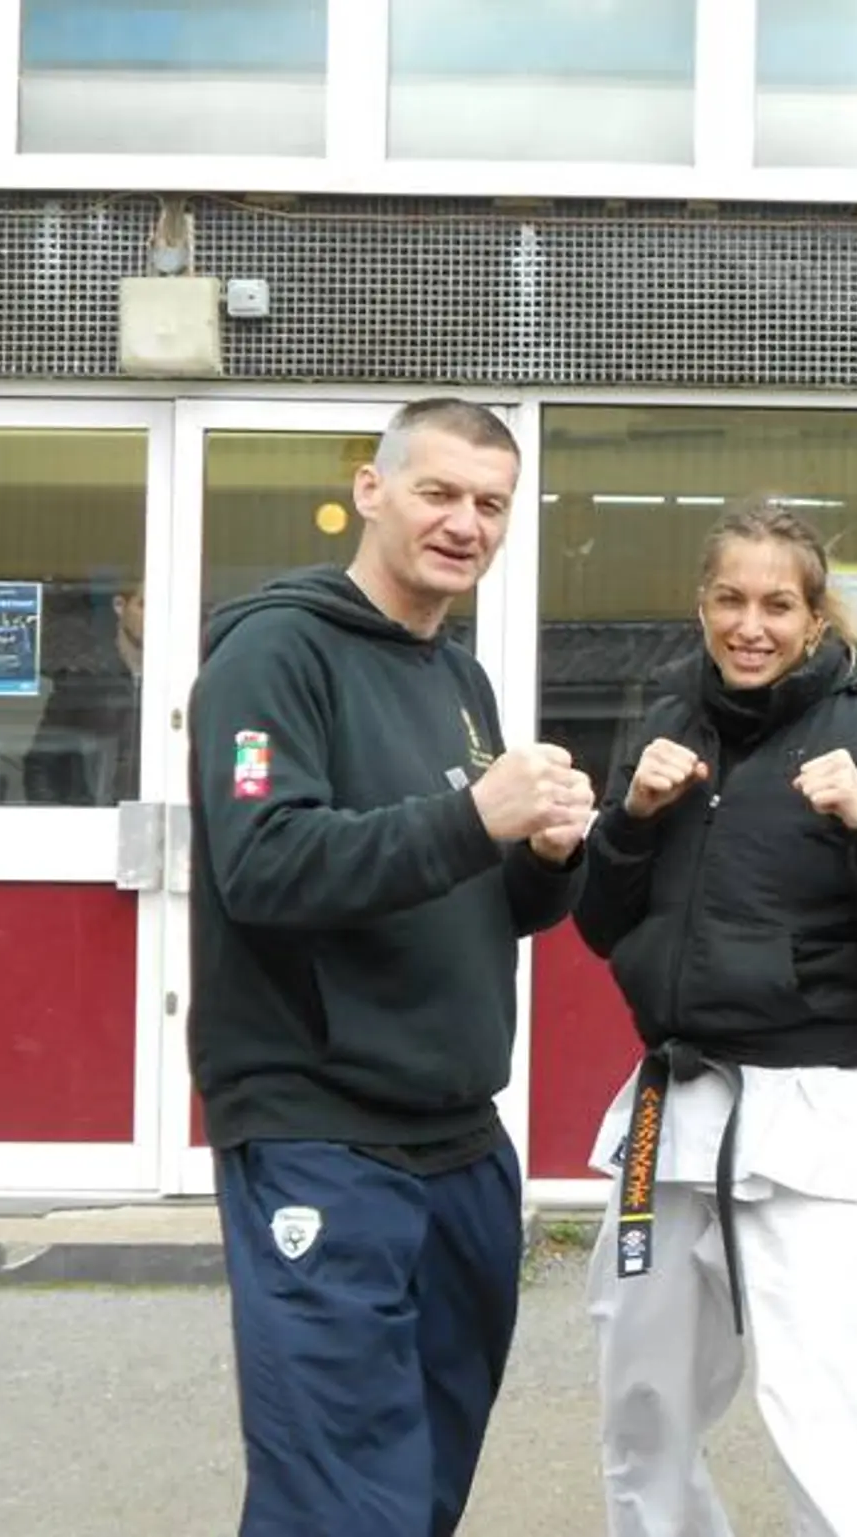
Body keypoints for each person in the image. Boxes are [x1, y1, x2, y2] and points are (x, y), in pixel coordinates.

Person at [187, 398, 594, 1536]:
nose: (463, 522)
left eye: (490, 504)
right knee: (340, 1501)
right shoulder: (271, 653)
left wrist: (548, 857)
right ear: (371, 489)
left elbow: (475, 893)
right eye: (438, 491)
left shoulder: (457, 678)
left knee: (420, 1488)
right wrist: (475, 815)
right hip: (321, 1130)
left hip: (460, 1137)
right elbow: (262, 862)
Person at [575, 500, 857, 1537]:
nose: (751, 624)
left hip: (815, 1105)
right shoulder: (663, 720)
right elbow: (600, 924)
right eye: (730, 599)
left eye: (777, 604)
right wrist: (629, 820)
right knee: (641, 1401)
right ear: (701, 603)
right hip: (669, 1104)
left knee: (838, 1416)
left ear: (813, 612)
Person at [23, 578, 142, 804]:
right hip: (89, 824)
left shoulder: (180, 682)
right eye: (143, 605)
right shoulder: (86, 679)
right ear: (120, 606)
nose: (153, 616)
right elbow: (41, 765)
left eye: (161, 605)